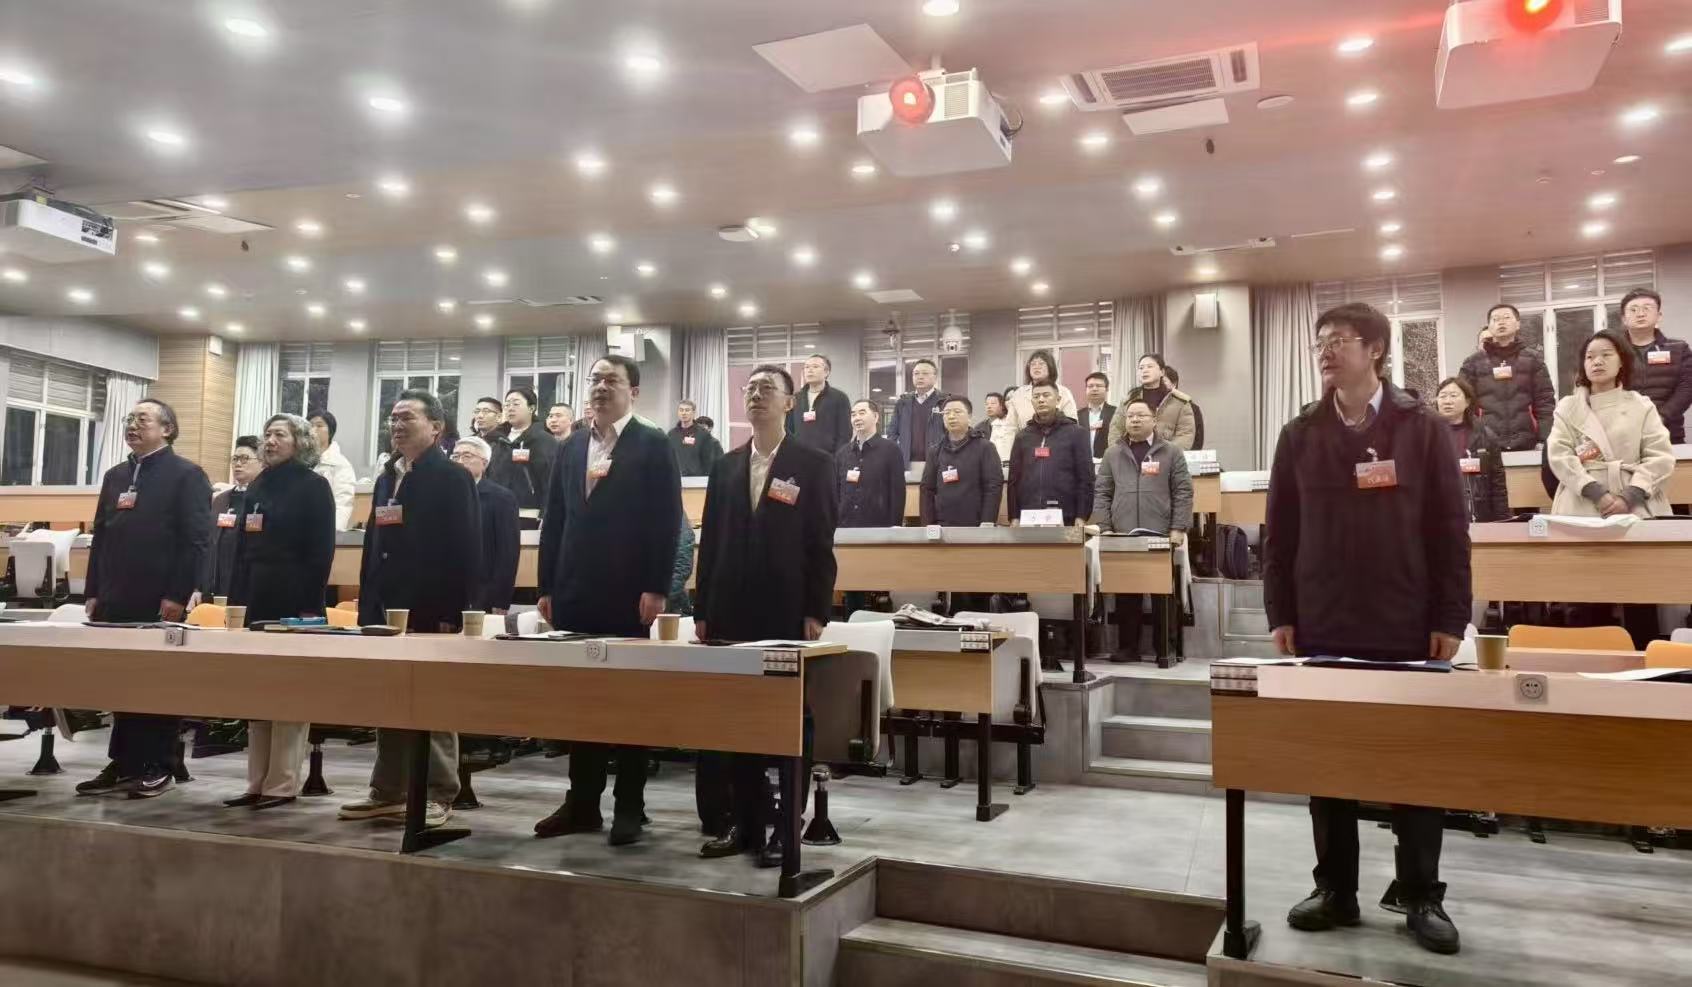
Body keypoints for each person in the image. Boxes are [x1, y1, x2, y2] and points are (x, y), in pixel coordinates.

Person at [1263, 302, 1468, 956]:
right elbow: (1280, 533)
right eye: (1320, 342)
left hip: (1405, 619)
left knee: (1416, 763)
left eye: (1340, 340)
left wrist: (1450, 615)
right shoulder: (1300, 433)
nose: (1326, 351)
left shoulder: (1421, 428)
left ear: (1376, 348)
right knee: (1330, 761)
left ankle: (1421, 894)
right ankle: (1335, 889)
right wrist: (1281, 611)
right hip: (1324, 619)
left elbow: (1449, 529)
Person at [532, 355, 682, 847]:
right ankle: (582, 803)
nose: (600, 387)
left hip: (630, 592)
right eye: (594, 379)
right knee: (582, 701)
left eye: (611, 380)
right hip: (575, 590)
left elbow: (666, 520)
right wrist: (546, 586)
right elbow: (554, 518)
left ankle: (630, 805)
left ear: (632, 391)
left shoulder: (652, 443)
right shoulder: (572, 445)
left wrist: (657, 586)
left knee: (630, 700)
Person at [695, 364, 838, 864]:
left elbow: (821, 543)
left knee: (788, 719)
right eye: (750, 388)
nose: (756, 395)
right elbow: (711, 542)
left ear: (789, 403)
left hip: (786, 609)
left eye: (767, 389)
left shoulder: (814, 463)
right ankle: (747, 821)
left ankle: (786, 826)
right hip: (729, 611)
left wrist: (815, 610)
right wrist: (703, 609)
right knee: (738, 719)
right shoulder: (725, 465)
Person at [340, 390, 479, 829]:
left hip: (430, 607)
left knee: (432, 700)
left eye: (407, 418)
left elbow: (464, 549)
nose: (397, 425)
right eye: (393, 418)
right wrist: (367, 603)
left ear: (436, 427)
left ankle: (438, 792)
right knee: (389, 699)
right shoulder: (388, 476)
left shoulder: (452, 476)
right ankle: (389, 790)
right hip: (385, 608)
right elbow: (374, 545)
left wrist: (451, 612)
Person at [75, 398, 212, 800]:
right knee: (120, 680)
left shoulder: (187, 475)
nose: (132, 425)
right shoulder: (116, 475)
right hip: (114, 596)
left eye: (143, 420)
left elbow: (196, 541)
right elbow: (101, 536)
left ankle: (160, 764)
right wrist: (93, 591)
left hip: (159, 598)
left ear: (167, 429)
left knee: (157, 680)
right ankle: (124, 762)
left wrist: (178, 593)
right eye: (129, 419)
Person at [224, 413, 336, 810]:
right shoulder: (258, 483)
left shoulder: (314, 486)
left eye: (279, 435)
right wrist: (236, 601)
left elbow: (320, 553)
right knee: (257, 694)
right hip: (256, 599)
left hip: (295, 601)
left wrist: (308, 608)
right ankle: (256, 781)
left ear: (300, 442)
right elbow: (242, 548)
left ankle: (283, 783)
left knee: (289, 694)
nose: (269, 441)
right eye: (267, 434)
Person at [1547, 330, 1675, 648]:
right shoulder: (1568, 407)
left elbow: (1660, 456)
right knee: (1585, 591)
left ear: (1622, 362)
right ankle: (1589, 658)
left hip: (1634, 503)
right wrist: (1596, 492)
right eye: (1590, 356)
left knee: (1639, 591)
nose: (1597, 361)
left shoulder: (1641, 405)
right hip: (1582, 504)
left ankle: (1646, 657)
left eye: (1606, 354)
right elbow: (1559, 455)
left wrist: (1630, 495)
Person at [1092, 400, 1192, 663]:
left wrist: (1178, 528)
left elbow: (1183, 492)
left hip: (1159, 532)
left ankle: (1165, 648)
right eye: (1130, 416)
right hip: (1122, 534)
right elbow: (1102, 493)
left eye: (1141, 415)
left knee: (1162, 593)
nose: (1135, 420)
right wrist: (1105, 527)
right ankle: (1128, 648)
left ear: (1154, 420)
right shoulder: (1113, 454)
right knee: (1126, 594)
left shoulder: (1171, 452)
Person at [1457, 303, 1555, 452]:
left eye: (1506, 317)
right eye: (1495, 319)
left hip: (1528, 442)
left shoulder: (1533, 359)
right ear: (1489, 326)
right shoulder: (1473, 363)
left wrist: (1544, 439)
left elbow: (1545, 402)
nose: (1501, 322)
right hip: (1485, 444)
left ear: (1518, 324)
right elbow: (1462, 404)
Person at [1007, 380, 1094, 525]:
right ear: (1032, 401)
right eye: (1036, 396)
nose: (1041, 400)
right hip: (1028, 516)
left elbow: (1086, 478)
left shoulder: (1076, 433)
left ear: (1058, 399)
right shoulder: (1023, 436)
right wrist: (1014, 516)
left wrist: (1082, 515)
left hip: (1067, 516)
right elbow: (1013, 480)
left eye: (1046, 395)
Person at [450, 436, 520, 614]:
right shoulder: (443, 494)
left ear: (484, 463)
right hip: (447, 591)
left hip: (484, 593)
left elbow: (507, 552)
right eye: (455, 456)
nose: (459, 461)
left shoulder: (501, 497)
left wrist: (500, 599)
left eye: (467, 456)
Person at [1616, 288, 1692, 444]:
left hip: (1667, 432)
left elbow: (1687, 388)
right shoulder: (1613, 351)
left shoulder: (1679, 348)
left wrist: (1660, 417)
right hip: (1622, 434)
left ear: (1659, 316)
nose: (1640, 314)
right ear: (1624, 318)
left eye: (1647, 308)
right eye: (1633, 309)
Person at [1433, 377, 1510, 523]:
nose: (1447, 401)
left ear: (1467, 402)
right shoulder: (1425, 435)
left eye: (1453, 396)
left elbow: (1498, 485)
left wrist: (1503, 521)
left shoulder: (1485, 436)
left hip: (1477, 515)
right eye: (1442, 396)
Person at [921, 396, 1003, 527]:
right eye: (947, 413)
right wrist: (928, 525)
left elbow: (993, 488)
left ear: (970, 417)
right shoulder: (935, 451)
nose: (951, 416)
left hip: (976, 525)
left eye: (957, 412)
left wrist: (987, 521)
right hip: (942, 526)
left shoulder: (985, 448)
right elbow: (927, 490)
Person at [202, 435, 262, 602]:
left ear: (262, 462)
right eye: (235, 459)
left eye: (244, 458)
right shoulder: (220, 500)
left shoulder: (264, 498)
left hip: (246, 585)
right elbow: (208, 543)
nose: (238, 464)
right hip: (214, 584)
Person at [487, 385, 555, 525]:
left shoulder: (544, 440)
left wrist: (546, 514)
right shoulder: (496, 439)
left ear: (531, 408)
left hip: (528, 514)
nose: (510, 408)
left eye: (516, 404)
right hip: (494, 511)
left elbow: (551, 481)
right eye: (507, 404)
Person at [836, 398, 906, 528]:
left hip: (879, 526)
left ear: (876, 417)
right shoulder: (842, 453)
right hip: (846, 526)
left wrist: (895, 525)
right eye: (853, 415)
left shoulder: (891, 450)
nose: (857, 418)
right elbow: (836, 492)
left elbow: (897, 492)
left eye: (862, 413)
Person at [1109, 354, 1196, 450]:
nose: (1145, 370)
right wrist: (1119, 453)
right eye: (1141, 368)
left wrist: (1168, 454)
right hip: (1132, 455)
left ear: (1162, 372)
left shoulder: (1179, 401)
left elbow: (1185, 434)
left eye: (1150, 367)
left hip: (1166, 455)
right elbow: (1116, 430)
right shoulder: (1128, 400)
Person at [788, 353, 852, 453]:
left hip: (828, 457)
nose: (810, 370)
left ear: (826, 372)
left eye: (815, 366)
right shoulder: (796, 398)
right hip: (799, 456)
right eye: (806, 367)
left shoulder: (839, 398)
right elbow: (788, 429)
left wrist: (836, 457)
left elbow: (845, 433)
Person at [888, 358, 945, 465]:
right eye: (916, 373)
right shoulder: (903, 402)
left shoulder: (944, 402)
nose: (920, 377)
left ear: (935, 377)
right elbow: (892, 433)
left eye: (925, 373)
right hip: (906, 463)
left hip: (937, 463)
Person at [307, 410, 357, 531]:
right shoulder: (300, 460)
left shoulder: (340, 464)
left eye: (319, 425)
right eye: (310, 426)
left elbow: (343, 503)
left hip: (324, 530)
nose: (313, 430)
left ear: (330, 431)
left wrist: (333, 532)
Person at [1006, 349, 1077, 432]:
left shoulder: (1063, 392)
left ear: (1050, 367)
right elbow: (1010, 427)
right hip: (1026, 438)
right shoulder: (1019, 394)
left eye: (1041, 363)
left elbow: (1072, 423)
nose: (1036, 367)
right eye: (1033, 364)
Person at [669, 398, 724, 477]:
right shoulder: (671, 434)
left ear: (694, 412)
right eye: (681, 410)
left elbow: (708, 461)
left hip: (696, 479)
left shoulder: (703, 434)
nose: (683, 413)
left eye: (687, 410)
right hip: (676, 478)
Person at [1165, 366, 1206, 449]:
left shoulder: (1191, 407)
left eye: (1162, 381)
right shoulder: (1147, 407)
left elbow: (1197, 442)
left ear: (1174, 384)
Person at [1078, 371, 1115, 459]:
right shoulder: (1078, 415)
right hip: (1083, 462)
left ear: (1107, 389)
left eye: (1098, 386)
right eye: (1090, 386)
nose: (1094, 389)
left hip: (1106, 462)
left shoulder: (1115, 413)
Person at [978, 391, 1016, 463]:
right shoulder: (980, 427)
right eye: (987, 404)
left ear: (1002, 406)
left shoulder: (1010, 425)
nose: (989, 406)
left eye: (993, 403)